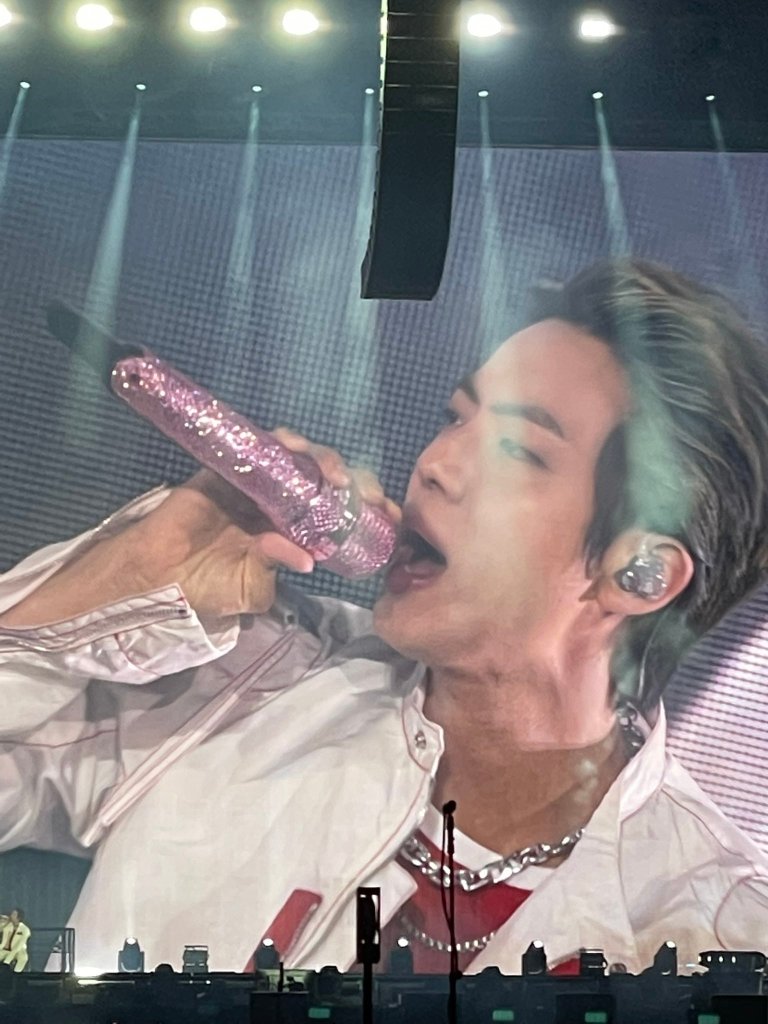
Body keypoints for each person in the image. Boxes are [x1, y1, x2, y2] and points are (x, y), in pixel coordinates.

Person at [0, 259, 767, 975]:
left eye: (517, 449)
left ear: (640, 574)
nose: (436, 463)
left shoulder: (719, 939)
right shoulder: (245, 680)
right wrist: (128, 572)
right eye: (455, 417)